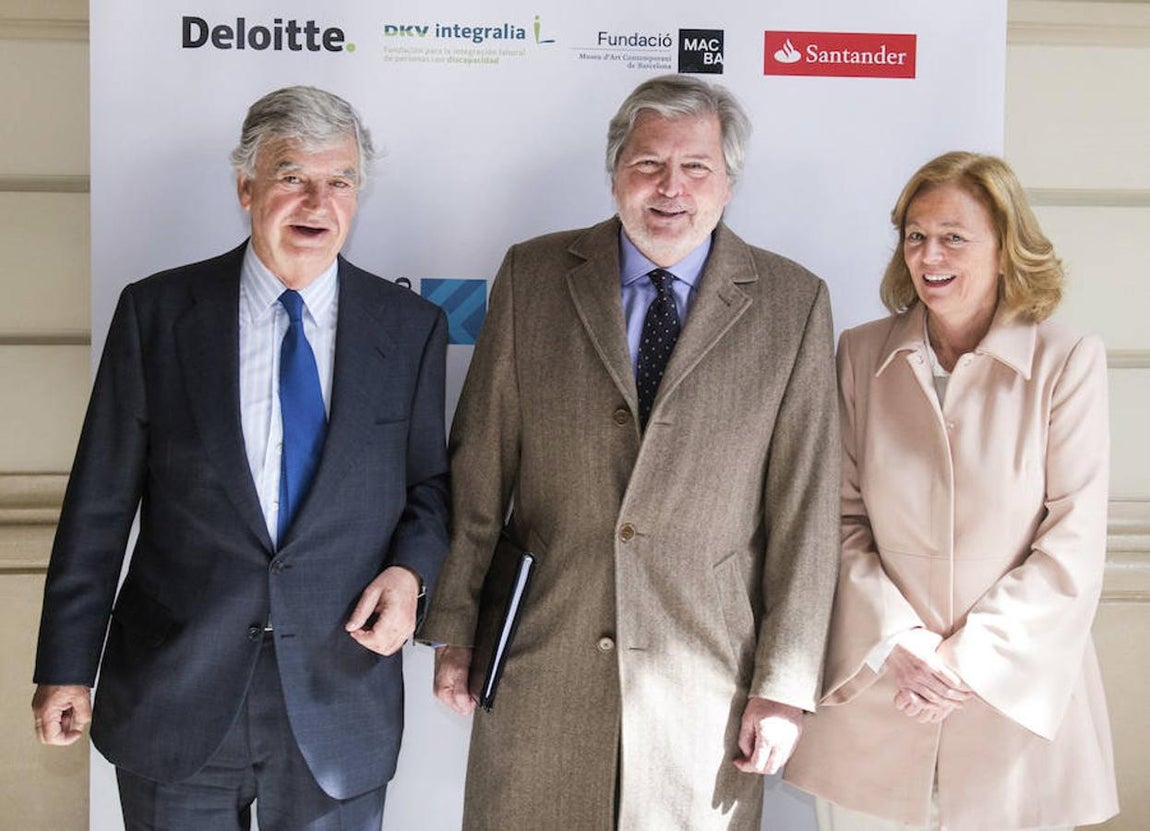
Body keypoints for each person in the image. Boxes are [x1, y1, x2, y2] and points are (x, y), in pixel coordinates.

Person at [421, 74, 839, 829]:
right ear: (615, 172)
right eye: (649, 164)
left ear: (728, 182)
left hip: (705, 683)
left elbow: (807, 509)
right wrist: (454, 625)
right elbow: (479, 467)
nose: (671, 188)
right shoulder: (534, 275)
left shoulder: (793, 302)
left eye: (696, 168)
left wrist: (784, 682)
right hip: (538, 661)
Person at [31, 86, 450, 831]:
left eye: (341, 180)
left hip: (336, 696)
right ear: (246, 186)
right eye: (293, 175)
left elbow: (429, 488)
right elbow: (99, 505)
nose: (318, 199)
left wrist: (412, 572)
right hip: (176, 692)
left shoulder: (410, 328)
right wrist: (66, 663)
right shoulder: (157, 314)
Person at [784, 151, 1119, 830]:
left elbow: (1072, 544)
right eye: (915, 235)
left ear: (1005, 249)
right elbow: (835, 519)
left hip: (1013, 707)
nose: (928, 254)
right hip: (879, 694)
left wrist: (962, 661)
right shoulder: (858, 353)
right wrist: (898, 640)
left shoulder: (1067, 361)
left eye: (953, 237)